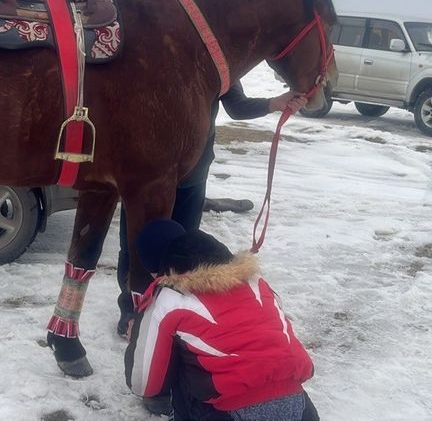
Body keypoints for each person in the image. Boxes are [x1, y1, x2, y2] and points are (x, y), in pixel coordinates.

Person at [117, 82, 307, 334]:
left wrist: (274, 103)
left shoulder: (216, 55)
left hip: (192, 172)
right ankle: (131, 310)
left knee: (185, 249)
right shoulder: (148, 45)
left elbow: (237, 106)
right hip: (145, 171)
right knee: (135, 246)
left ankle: (178, 314)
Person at [125, 219, 317, 420]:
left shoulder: (170, 297)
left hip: (229, 411)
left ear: (158, 269)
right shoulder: (257, 283)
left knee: (181, 353)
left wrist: (137, 339)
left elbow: (143, 383)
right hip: (300, 408)